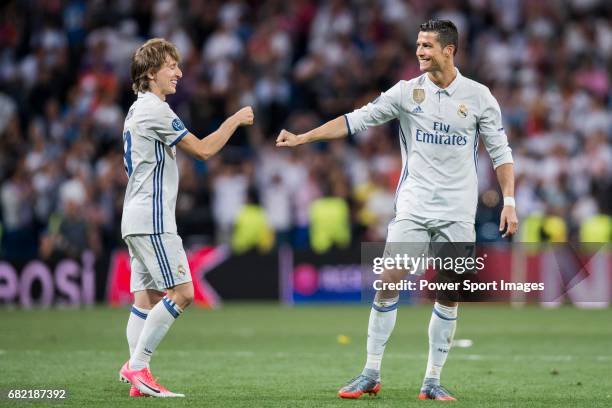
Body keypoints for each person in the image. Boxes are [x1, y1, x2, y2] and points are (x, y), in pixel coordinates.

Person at [276, 19, 518, 401]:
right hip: (414, 208)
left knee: (449, 293)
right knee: (389, 282)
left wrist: (509, 200)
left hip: (457, 212)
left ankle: (432, 380)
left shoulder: (478, 96)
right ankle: (370, 372)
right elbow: (356, 119)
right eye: (418, 45)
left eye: (427, 46)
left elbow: (501, 152)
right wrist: (306, 136)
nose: (420, 52)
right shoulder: (407, 92)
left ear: (449, 50)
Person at [118, 38, 253, 398]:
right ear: (150, 74)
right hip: (153, 218)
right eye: (171, 67)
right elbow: (205, 151)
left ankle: (136, 375)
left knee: (145, 298)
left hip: (135, 216)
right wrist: (235, 119)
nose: (179, 73)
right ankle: (138, 367)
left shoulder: (135, 110)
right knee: (182, 292)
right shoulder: (155, 109)